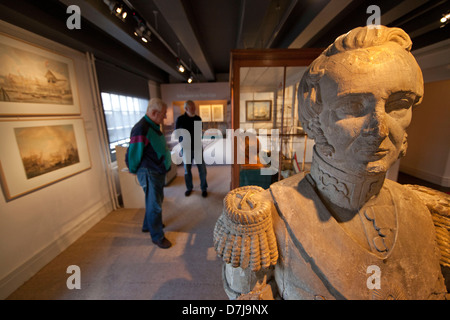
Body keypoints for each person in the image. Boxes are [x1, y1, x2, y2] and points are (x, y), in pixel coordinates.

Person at [214, 26, 449, 299]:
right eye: (353, 107)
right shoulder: (267, 216)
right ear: (315, 119)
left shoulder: (424, 211)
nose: (381, 128)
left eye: (399, 103)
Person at [126, 98, 172, 249]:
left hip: (155, 170)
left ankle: (148, 225)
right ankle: (157, 236)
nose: (165, 117)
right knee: (155, 205)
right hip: (149, 171)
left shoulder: (151, 125)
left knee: (153, 201)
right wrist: (133, 169)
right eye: (163, 114)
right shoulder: (141, 128)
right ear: (153, 112)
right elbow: (134, 153)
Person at [175, 100, 208, 197]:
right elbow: (177, 134)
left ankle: (204, 188)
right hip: (186, 149)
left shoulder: (198, 119)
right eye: (192, 108)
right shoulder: (180, 119)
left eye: (194, 107)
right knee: (187, 170)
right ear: (186, 108)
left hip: (197, 148)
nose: (194, 109)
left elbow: (198, 133)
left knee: (202, 170)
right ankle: (189, 188)